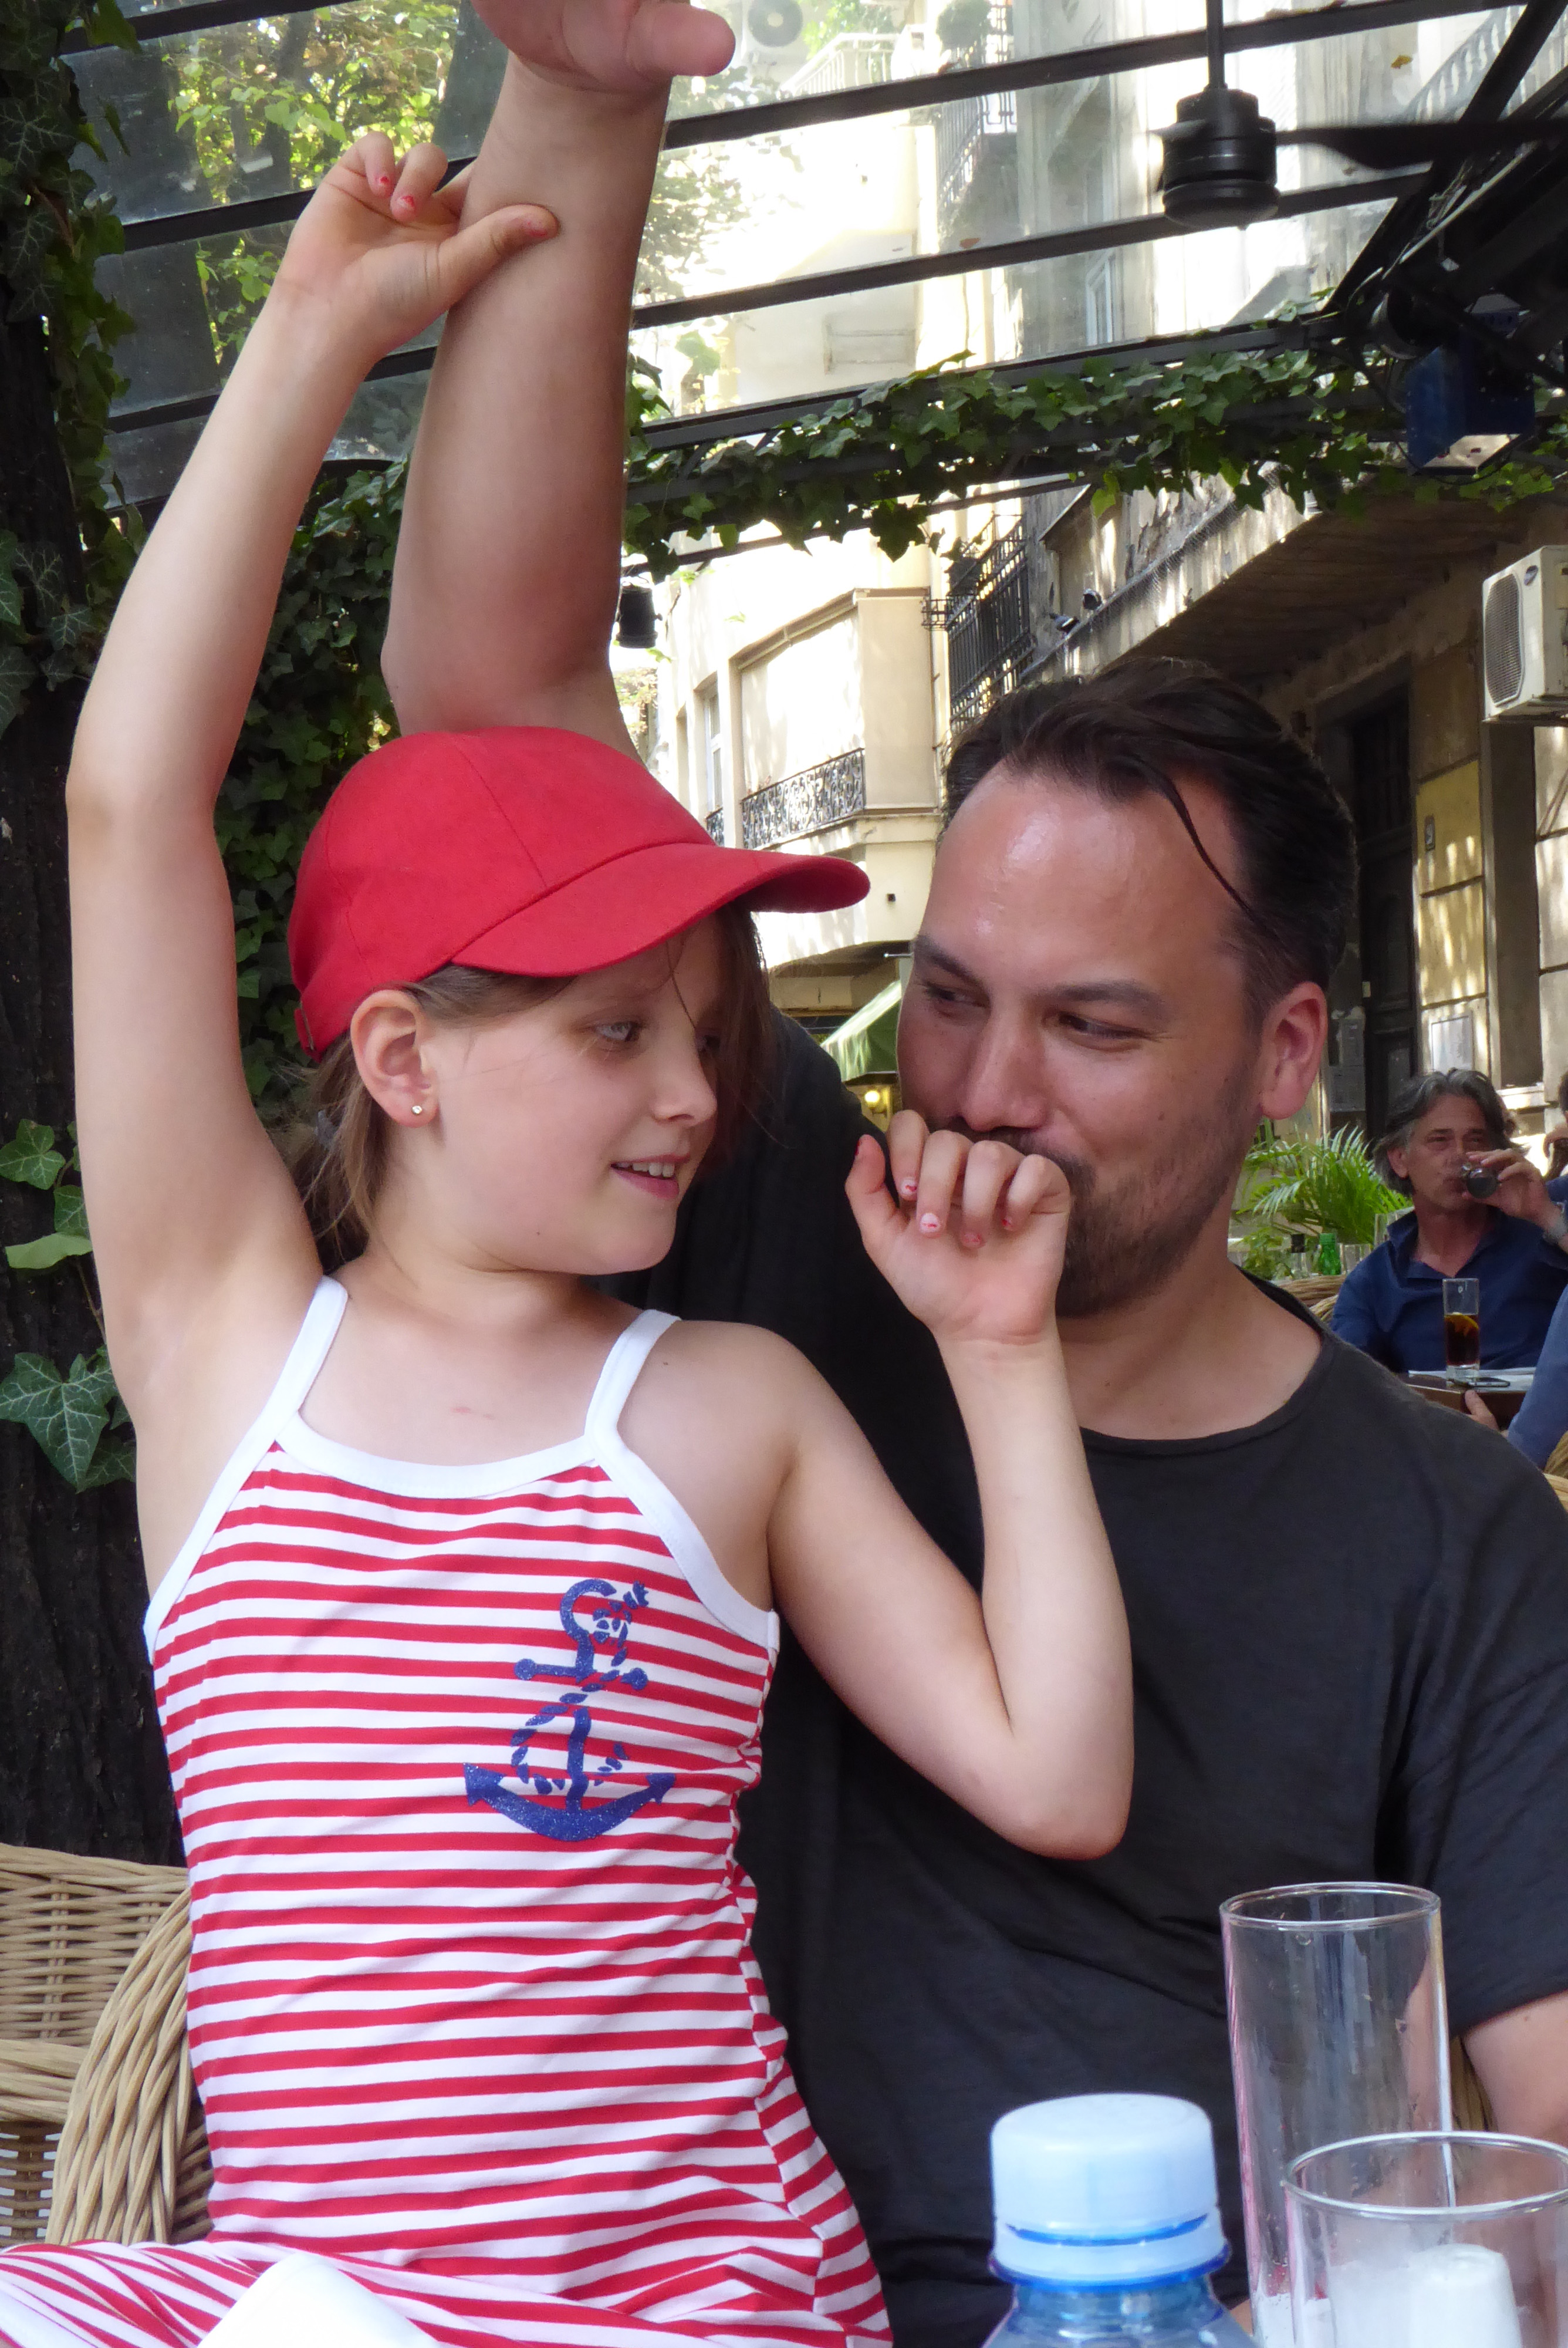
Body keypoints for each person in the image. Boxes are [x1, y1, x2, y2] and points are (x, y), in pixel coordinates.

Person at [380, 6, 1568, 2336]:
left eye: (1093, 1028)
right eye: (946, 993)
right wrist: (584, 97)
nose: (984, 1087)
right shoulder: (769, 1221)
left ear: (1283, 1058)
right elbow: (493, 709)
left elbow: (1539, 2136)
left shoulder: (1442, 1540)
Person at [0, 131, 1136, 2348]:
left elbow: (1053, 1771)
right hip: (316, 2305)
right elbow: (128, 806)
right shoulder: (228, 1348)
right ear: (404, 1058)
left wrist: (1002, 1352)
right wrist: (309, 340)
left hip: (696, 2304)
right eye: (614, 1029)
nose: (695, 1091)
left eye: (701, 1031)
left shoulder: (722, 1406)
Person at [1331, 1069, 1568, 1372]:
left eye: (1476, 1140)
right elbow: (1345, 1383)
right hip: (1429, 1405)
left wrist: (1545, 1215)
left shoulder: (1543, 1235)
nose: (1460, 1155)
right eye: (1440, 1141)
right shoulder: (1376, 1281)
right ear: (1400, 1159)